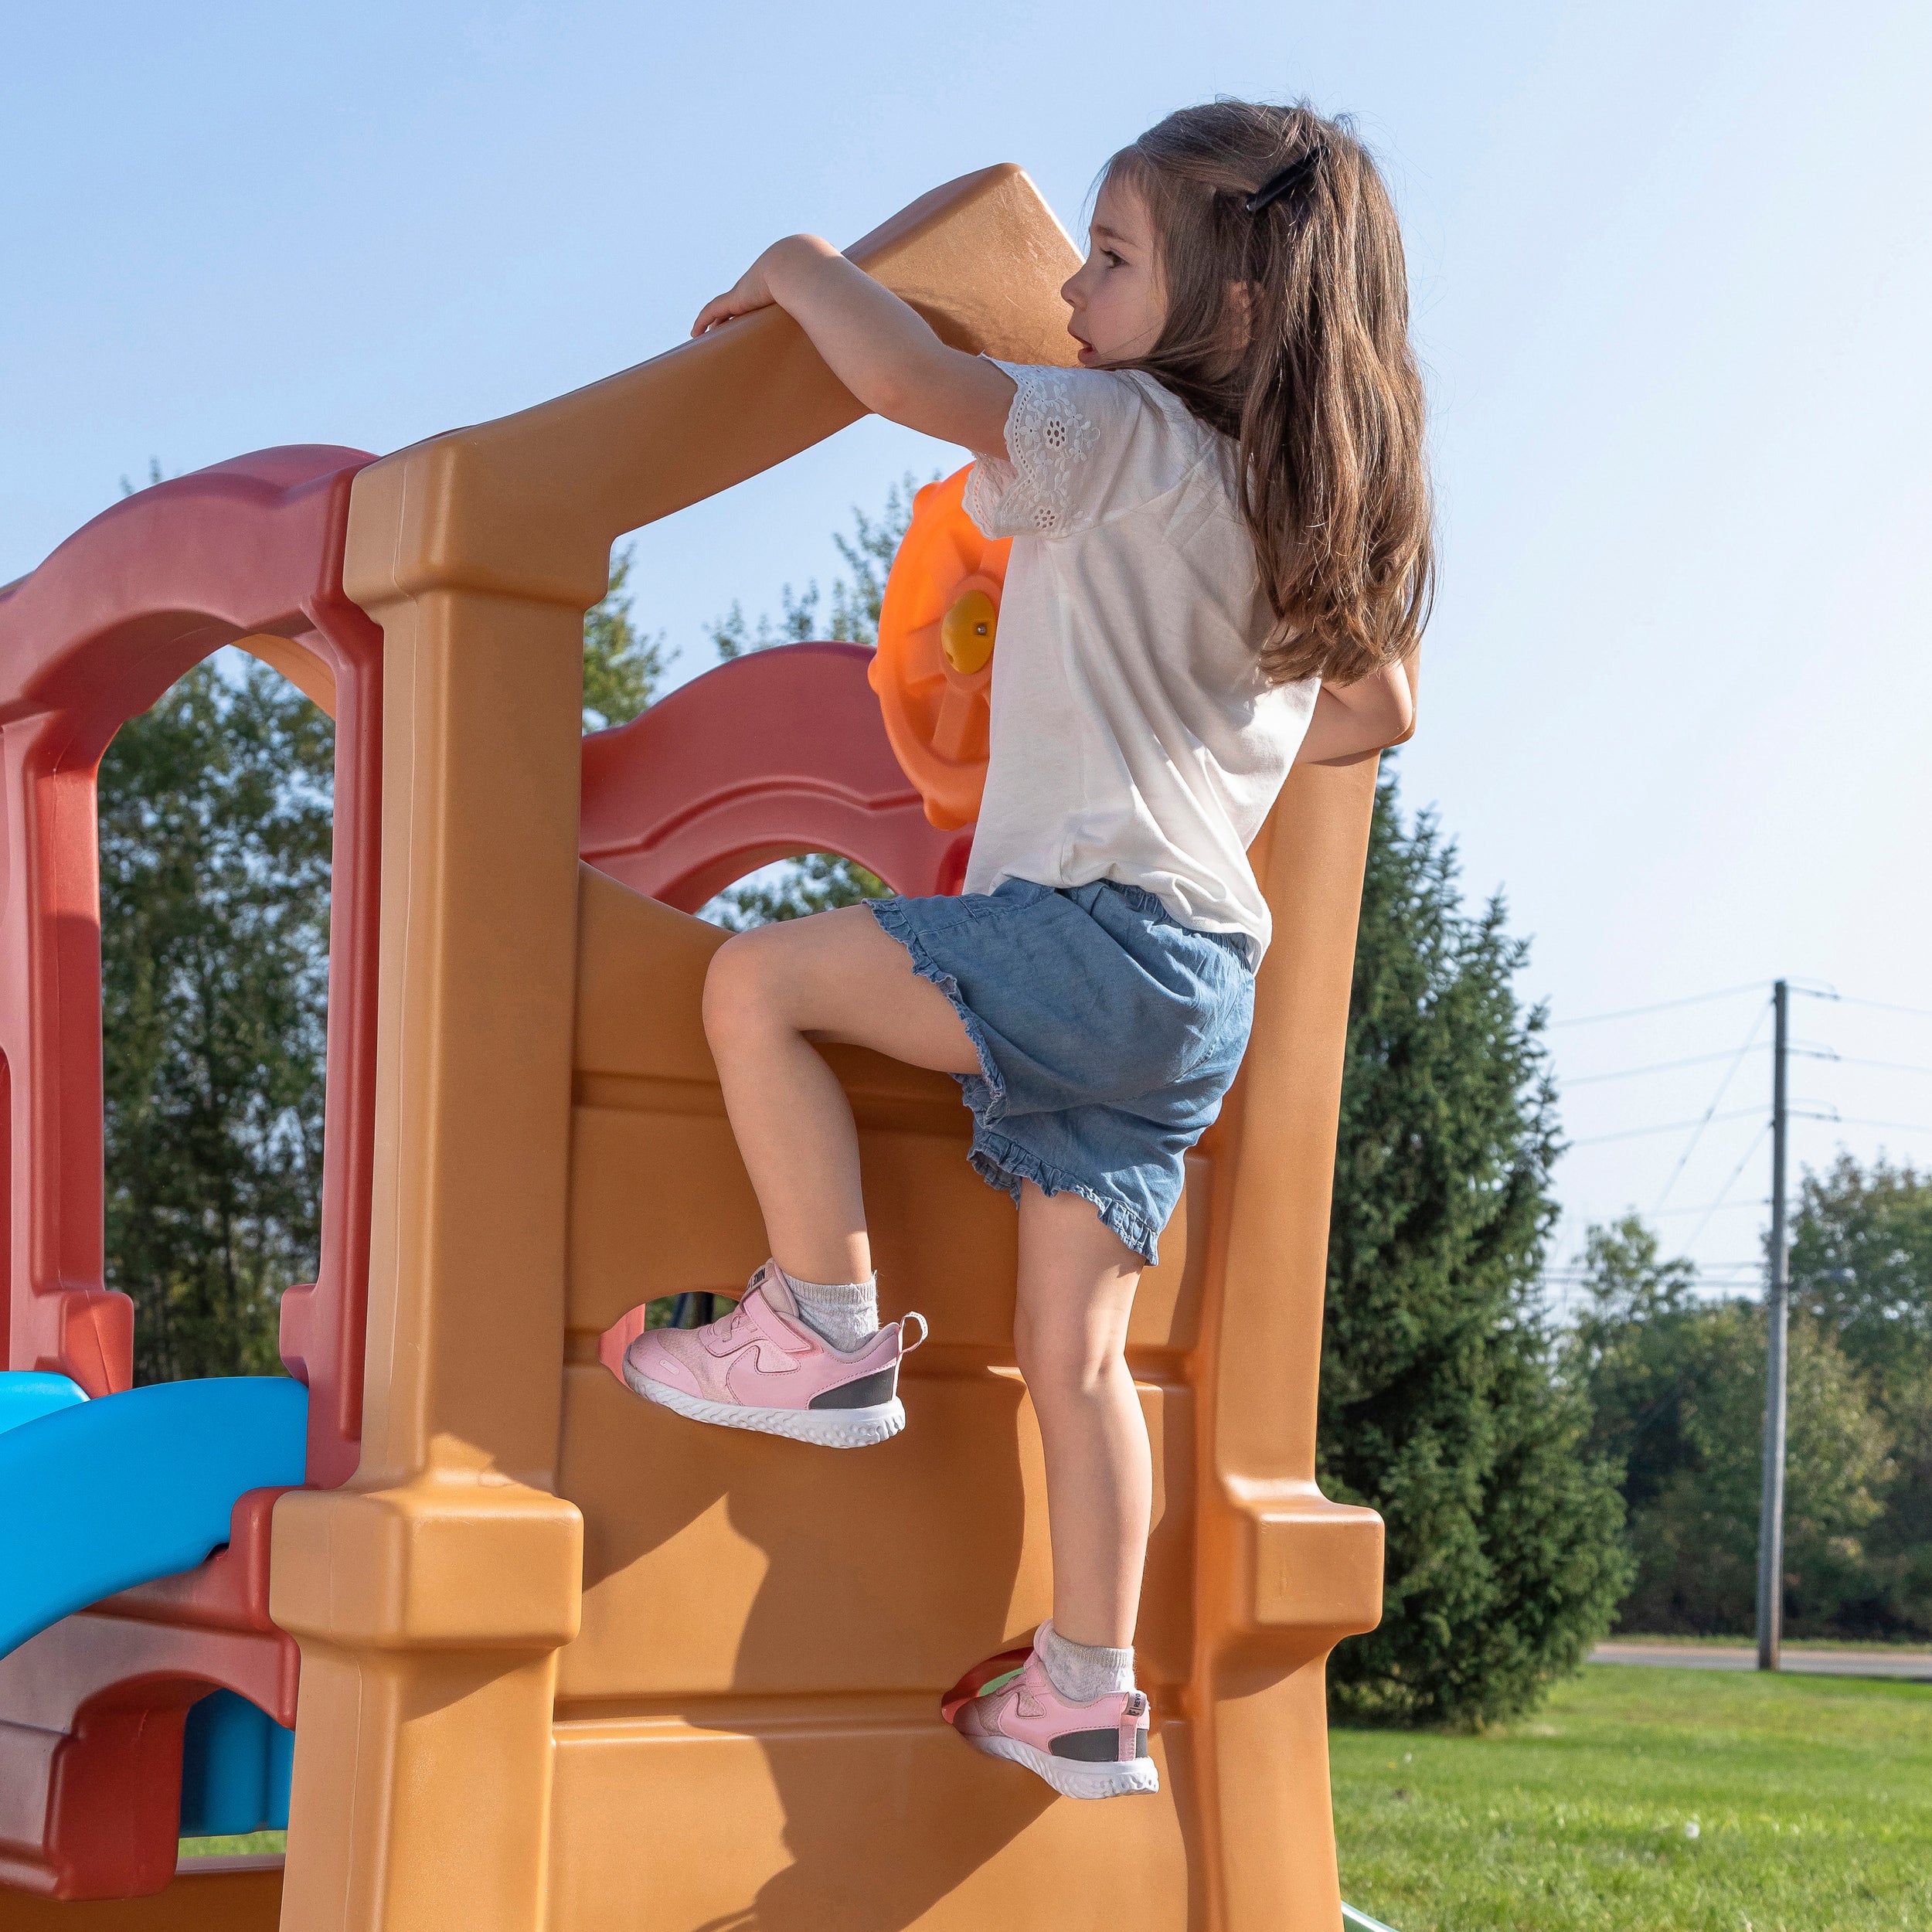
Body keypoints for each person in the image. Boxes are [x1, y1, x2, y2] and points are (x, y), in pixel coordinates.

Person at [623, 98, 1430, 1801]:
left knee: (750, 981)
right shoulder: (1287, 521)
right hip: (1197, 988)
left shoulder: (1122, 433)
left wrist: (796, 264)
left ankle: (823, 1325)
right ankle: (1083, 1686)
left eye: (1112, 259)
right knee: (1073, 1360)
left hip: (1089, 933)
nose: (1071, 291)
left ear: (1220, 312)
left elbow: (912, 383)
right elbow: (1378, 707)